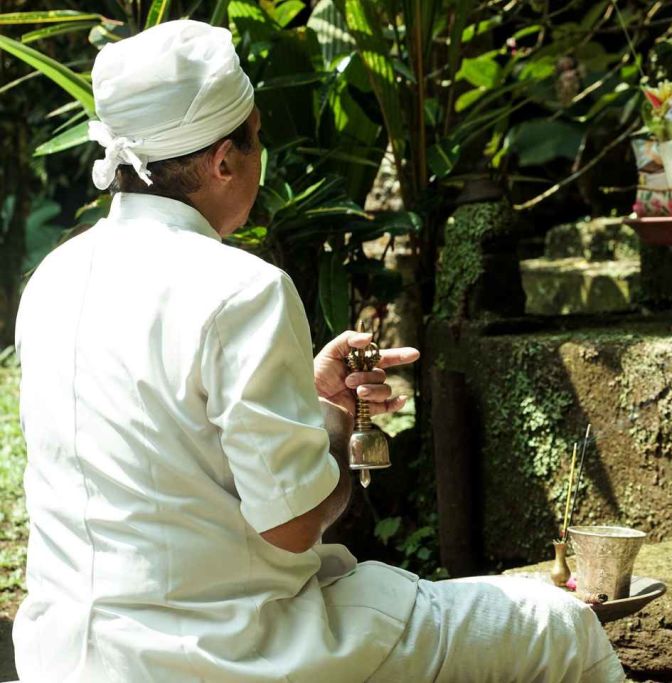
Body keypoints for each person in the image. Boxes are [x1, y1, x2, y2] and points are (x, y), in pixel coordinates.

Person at [13, 19, 625, 683]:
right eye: (257, 139)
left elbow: (163, 442)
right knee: (558, 625)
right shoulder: (240, 289)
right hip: (224, 655)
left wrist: (298, 395)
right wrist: (335, 422)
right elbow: (294, 523)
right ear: (224, 161)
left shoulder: (53, 278)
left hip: (65, 655)